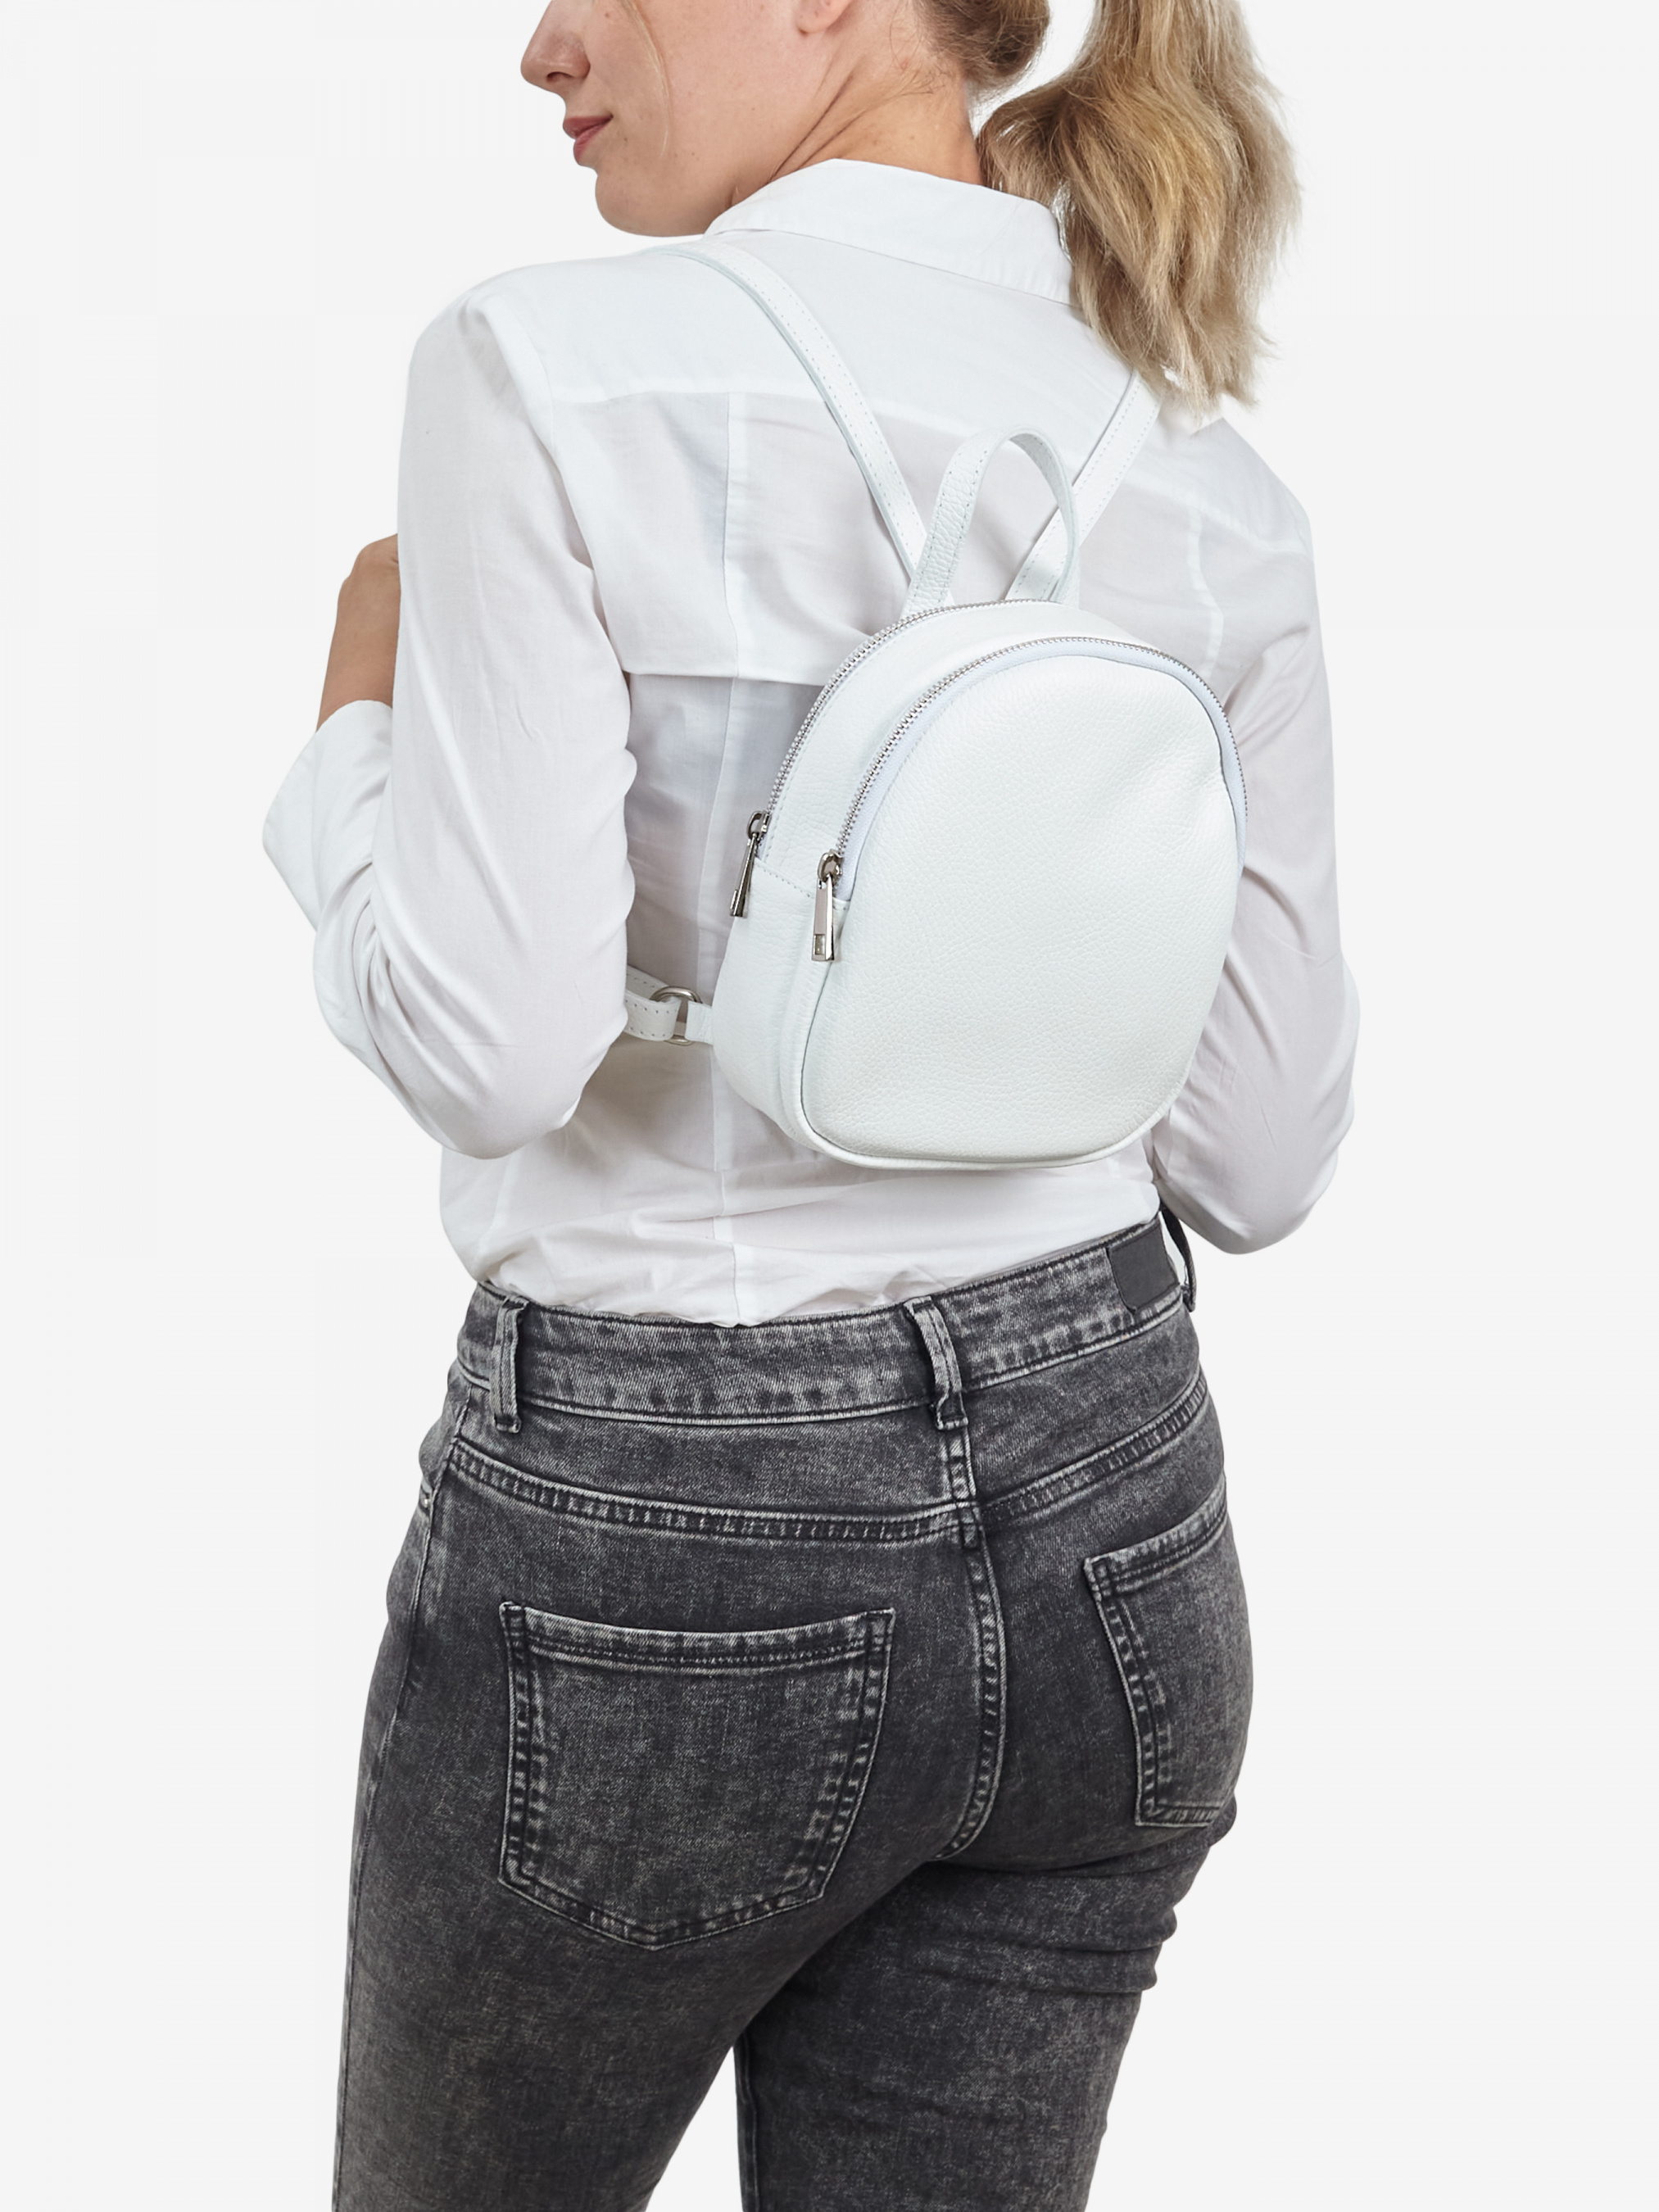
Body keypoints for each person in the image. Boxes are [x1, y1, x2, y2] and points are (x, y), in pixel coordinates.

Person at [264, 0, 1358, 2201]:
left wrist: (348, 739)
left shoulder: (545, 370)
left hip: (665, 1535)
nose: (542, 46)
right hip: (1119, 1525)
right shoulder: (1205, 471)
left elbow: (489, 1047)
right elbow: (1258, 1153)